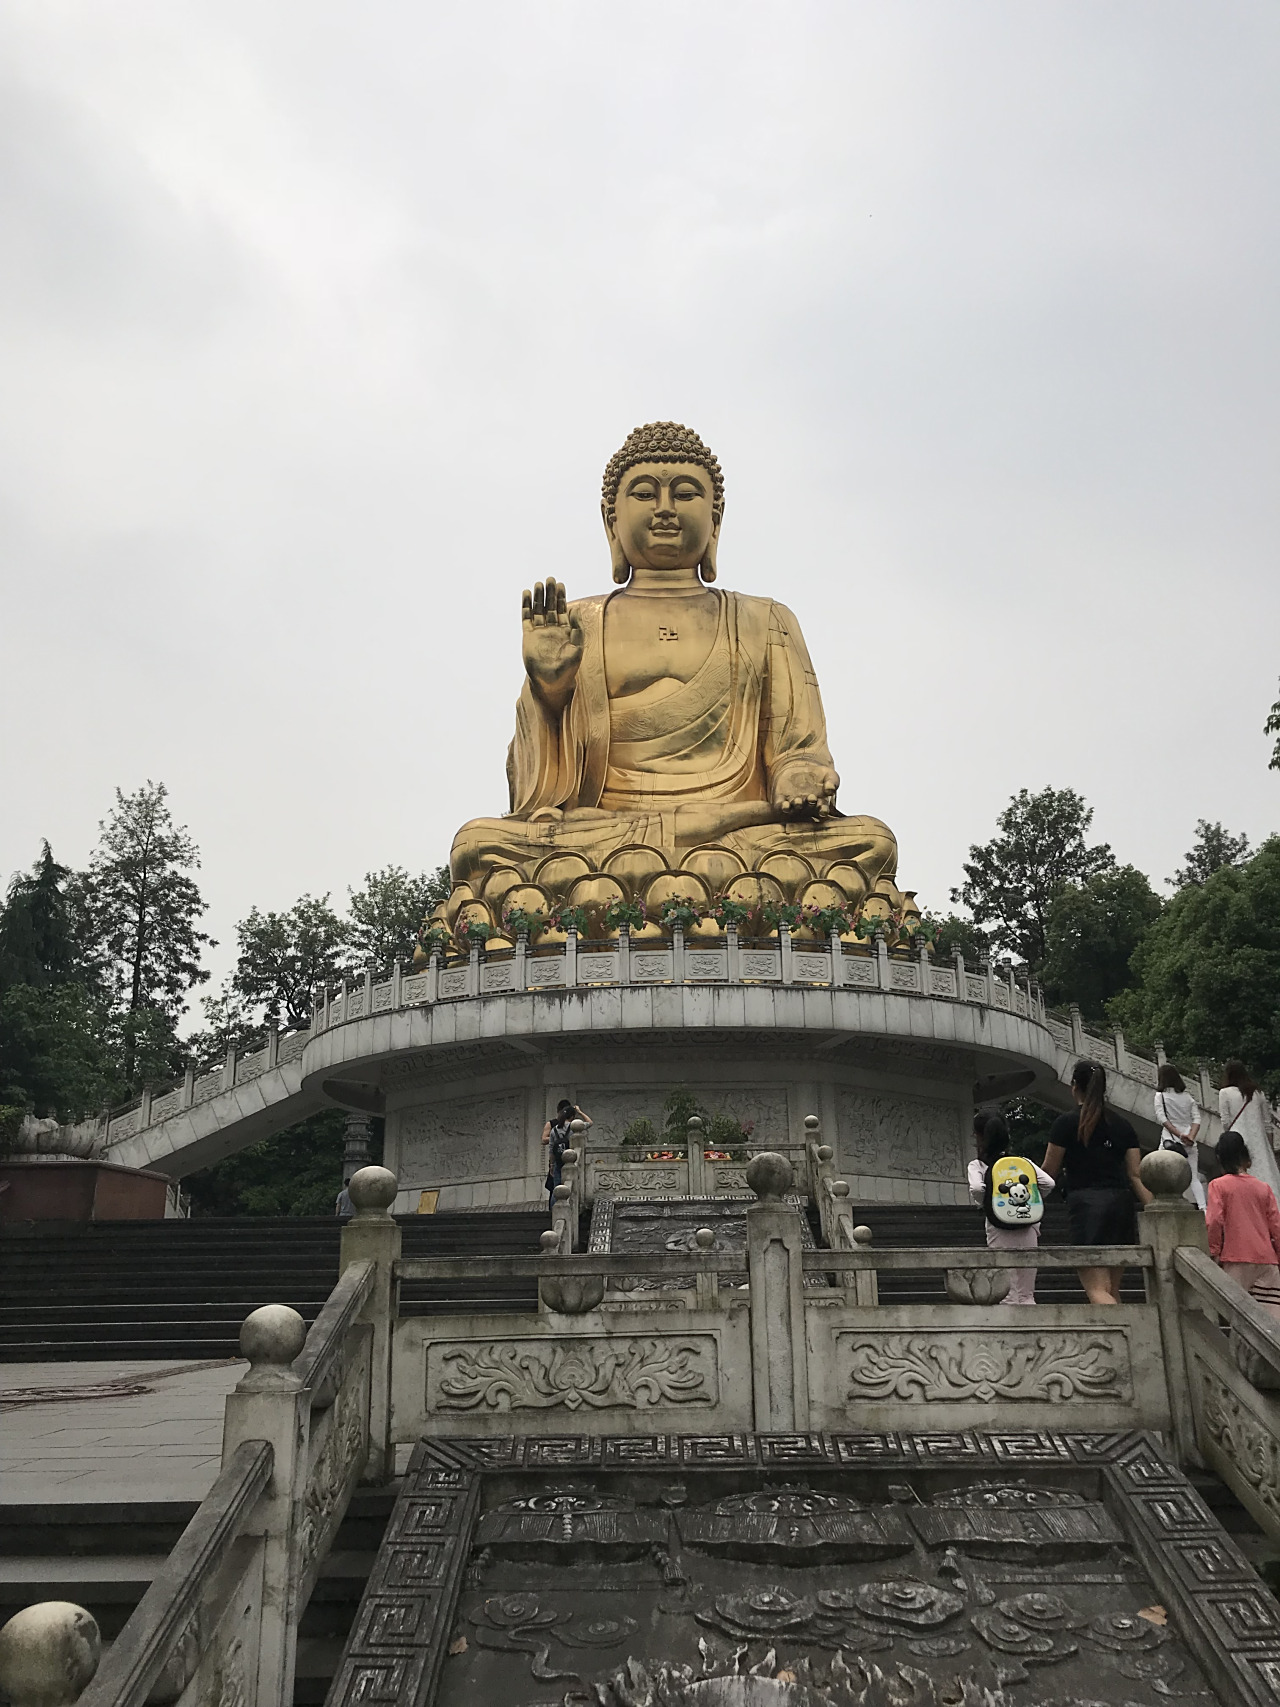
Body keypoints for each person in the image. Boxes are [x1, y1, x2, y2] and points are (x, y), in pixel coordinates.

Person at [1043, 1061, 1152, 1304]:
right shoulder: (1123, 1125)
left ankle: (1125, 1340)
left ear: (1074, 1087)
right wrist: (1156, 1209)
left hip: (1086, 1206)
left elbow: (1048, 1171)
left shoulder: (1066, 1123)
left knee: (1096, 1289)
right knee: (1112, 1288)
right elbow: (1136, 1174)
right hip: (1121, 1205)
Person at [966, 1114, 1055, 1306]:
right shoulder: (1022, 1162)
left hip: (999, 1227)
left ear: (980, 1136)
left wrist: (988, 1204)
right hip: (1028, 1226)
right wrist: (1033, 1201)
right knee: (1027, 1292)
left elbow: (976, 1188)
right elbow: (1048, 1183)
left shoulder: (978, 1165)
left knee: (1006, 1290)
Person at [1206, 1131, 1280, 1322]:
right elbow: (1276, 1226)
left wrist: (1214, 1250)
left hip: (1235, 1258)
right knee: (1271, 1321)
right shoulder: (1263, 1188)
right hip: (1266, 1260)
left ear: (1220, 1158)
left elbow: (1214, 1220)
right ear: (1245, 1155)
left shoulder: (1218, 1186)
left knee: (1240, 1320)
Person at [1219, 1061, 1280, 1213]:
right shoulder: (1258, 1093)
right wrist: (1269, 1146)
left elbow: (1225, 1122)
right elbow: (1267, 1123)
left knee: (1240, 1175)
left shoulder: (1225, 1093)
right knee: (1266, 1174)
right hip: (1260, 1141)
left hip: (1237, 1140)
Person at [1154, 1065, 1205, 1210]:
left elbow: (1163, 1119)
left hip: (1169, 1142)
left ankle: (1165, 1205)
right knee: (1194, 1178)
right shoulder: (1188, 1097)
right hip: (1189, 1143)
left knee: (1161, 1173)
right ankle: (1203, 1208)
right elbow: (1197, 1119)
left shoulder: (1160, 1096)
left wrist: (1179, 1135)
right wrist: (1190, 1137)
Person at [542, 1099, 591, 1208]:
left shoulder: (554, 1129)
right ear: (572, 1116)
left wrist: (551, 1164)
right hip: (571, 1160)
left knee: (557, 1188)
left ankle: (554, 1211)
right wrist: (580, 1112)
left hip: (558, 1161)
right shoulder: (573, 1127)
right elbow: (590, 1123)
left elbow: (551, 1148)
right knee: (569, 1186)